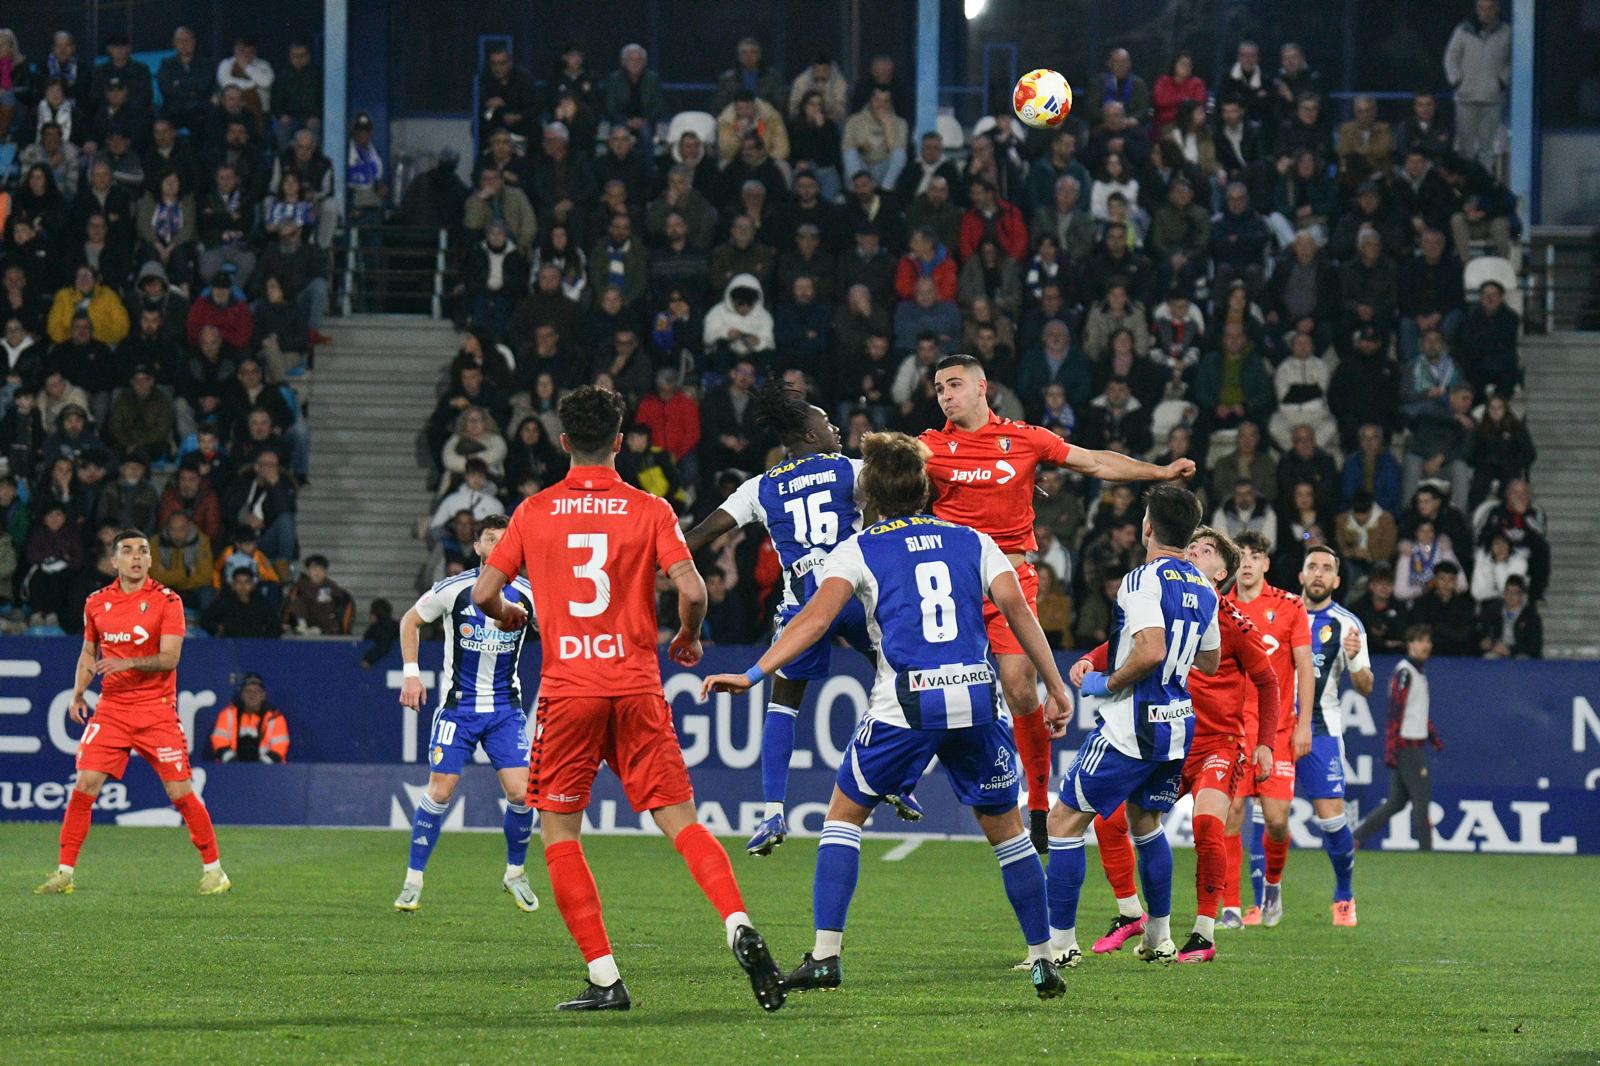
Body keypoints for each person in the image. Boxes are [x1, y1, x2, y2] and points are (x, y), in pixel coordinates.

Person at [700, 430, 1071, 999]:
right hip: (976, 698)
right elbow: (1019, 611)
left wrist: (753, 673)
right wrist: (1054, 687)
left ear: (866, 492)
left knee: (843, 819)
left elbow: (812, 621)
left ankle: (825, 956)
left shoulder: (860, 548)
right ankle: (1044, 958)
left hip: (906, 705)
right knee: (1009, 835)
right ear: (924, 489)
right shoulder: (972, 539)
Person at [470, 386, 785, 1013]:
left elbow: (483, 593)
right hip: (637, 685)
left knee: (560, 830)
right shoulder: (650, 509)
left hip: (569, 693)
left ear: (564, 442)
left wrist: (510, 614)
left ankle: (606, 976)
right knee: (682, 822)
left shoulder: (534, 511)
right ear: (618, 442)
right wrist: (690, 638)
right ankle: (736, 924)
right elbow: (692, 591)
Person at [921, 355, 1196, 851]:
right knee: (937, 686)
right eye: (939, 388)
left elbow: (1093, 460)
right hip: (953, 582)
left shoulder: (1024, 437)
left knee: (1019, 687)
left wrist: (1159, 471)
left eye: (955, 384)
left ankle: (1039, 802)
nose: (945, 394)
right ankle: (909, 775)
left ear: (983, 387)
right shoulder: (930, 447)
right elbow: (879, 473)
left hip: (1010, 575)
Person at [684, 383, 885, 855]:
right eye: (825, 422)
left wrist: (649, 557)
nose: (834, 427)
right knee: (901, 675)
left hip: (804, 605)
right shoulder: (850, 470)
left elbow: (698, 536)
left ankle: (772, 811)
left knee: (783, 707)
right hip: (855, 596)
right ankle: (893, 775)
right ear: (808, 436)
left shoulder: (759, 488)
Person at [1040, 485, 1219, 970]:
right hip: (1177, 724)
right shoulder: (1204, 586)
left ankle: (1060, 945)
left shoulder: (1141, 580)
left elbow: (1151, 649)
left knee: (1063, 823)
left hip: (1129, 727)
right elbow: (1210, 658)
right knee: (1146, 825)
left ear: (1148, 527)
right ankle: (1159, 938)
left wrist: (1107, 681)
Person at [1084, 526, 1277, 964]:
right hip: (1171, 738)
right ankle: (1137, 918)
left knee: (1209, 826)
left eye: (1206, 549)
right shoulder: (1167, 602)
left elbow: (1267, 679)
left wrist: (1266, 743)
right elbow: (1125, 642)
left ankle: (1204, 933)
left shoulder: (1232, 619)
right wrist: (1089, 660)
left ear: (1222, 570)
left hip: (1219, 743)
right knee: (1108, 821)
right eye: (1191, 544)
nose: (1193, 551)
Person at [36, 530, 229, 896]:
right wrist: (79, 692)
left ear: (150, 560)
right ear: (115, 561)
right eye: (127, 551)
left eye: (143, 551)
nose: (136, 557)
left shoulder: (167, 601)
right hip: (112, 710)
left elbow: (171, 658)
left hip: (155, 710)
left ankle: (215, 870)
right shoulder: (96, 602)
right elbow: (89, 653)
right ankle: (64, 873)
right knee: (84, 785)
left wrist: (128, 662)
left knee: (179, 791)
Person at [393, 514, 538, 912]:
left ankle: (515, 873)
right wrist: (411, 675)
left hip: (506, 711)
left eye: (505, 540)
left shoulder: (529, 594)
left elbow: (562, 637)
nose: (498, 546)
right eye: (490, 539)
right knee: (440, 790)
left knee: (523, 794)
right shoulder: (454, 589)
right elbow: (410, 620)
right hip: (459, 710)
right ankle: (413, 880)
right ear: (477, 547)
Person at [1224, 530, 1315, 927]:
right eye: (1239, 555)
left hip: (1278, 731)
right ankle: (1229, 906)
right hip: (1231, 730)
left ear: (1265, 563)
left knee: (1277, 820)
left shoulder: (1290, 607)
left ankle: (1272, 887)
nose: (1246, 562)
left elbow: (1305, 669)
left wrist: (1305, 723)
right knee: (1230, 815)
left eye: (1254, 555)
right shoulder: (1219, 607)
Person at [1294, 546, 1374, 926]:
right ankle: (1257, 902)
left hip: (1322, 730)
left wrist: (1355, 658)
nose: (1319, 574)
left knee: (1331, 820)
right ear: (1302, 575)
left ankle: (1344, 893)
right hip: (1275, 728)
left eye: (1327, 569)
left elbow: (1365, 686)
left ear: (1337, 580)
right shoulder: (1280, 612)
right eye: (1313, 567)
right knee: (1266, 817)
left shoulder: (1347, 624)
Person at [1354, 626, 1442, 849]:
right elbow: (1396, 711)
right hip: (1407, 747)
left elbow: (1417, 712)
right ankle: (1426, 851)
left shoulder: (1418, 673)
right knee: (1421, 800)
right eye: (1420, 641)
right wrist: (1392, 748)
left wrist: (1432, 737)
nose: (1426, 646)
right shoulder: (1405, 673)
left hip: (1411, 744)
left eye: (1428, 641)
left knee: (1397, 802)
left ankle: (1354, 838)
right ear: (1410, 644)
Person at [1444, 0, 1512, 170]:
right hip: (1465, 97)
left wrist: (1502, 81)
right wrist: (1457, 80)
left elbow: (1514, 60)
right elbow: (1450, 57)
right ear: (1476, 9)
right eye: (1482, 8)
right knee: (1465, 148)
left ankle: (1484, 187)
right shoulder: (1463, 30)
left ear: (1496, 9)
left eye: (1489, 8)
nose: (1485, 12)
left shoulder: (1506, 32)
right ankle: (1466, 188)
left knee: (1487, 149)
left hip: (1492, 98)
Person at [208, 673, 289, 763]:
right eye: (248, 691)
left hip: (268, 772)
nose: (252, 695)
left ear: (263, 695)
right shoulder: (227, 714)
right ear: (242, 695)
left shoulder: (275, 717)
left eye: (257, 691)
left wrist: (259, 767)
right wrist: (232, 762)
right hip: (230, 770)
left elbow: (280, 746)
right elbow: (219, 740)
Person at [283, 554, 355, 635]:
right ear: (307, 571)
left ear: (325, 572)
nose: (317, 572)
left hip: (328, 630)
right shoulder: (298, 588)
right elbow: (289, 609)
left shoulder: (334, 590)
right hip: (303, 628)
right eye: (314, 569)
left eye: (321, 569)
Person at [201, 567, 281, 637]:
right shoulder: (224, 601)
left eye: (246, 582)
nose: (243, 586)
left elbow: (275, 625)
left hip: (256, 646)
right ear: (233, 585)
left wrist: (264, 639)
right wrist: (218, 628)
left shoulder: (261, 602)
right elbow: (205, 620)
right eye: (239, 582)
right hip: (230, 645)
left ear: (253, 585)